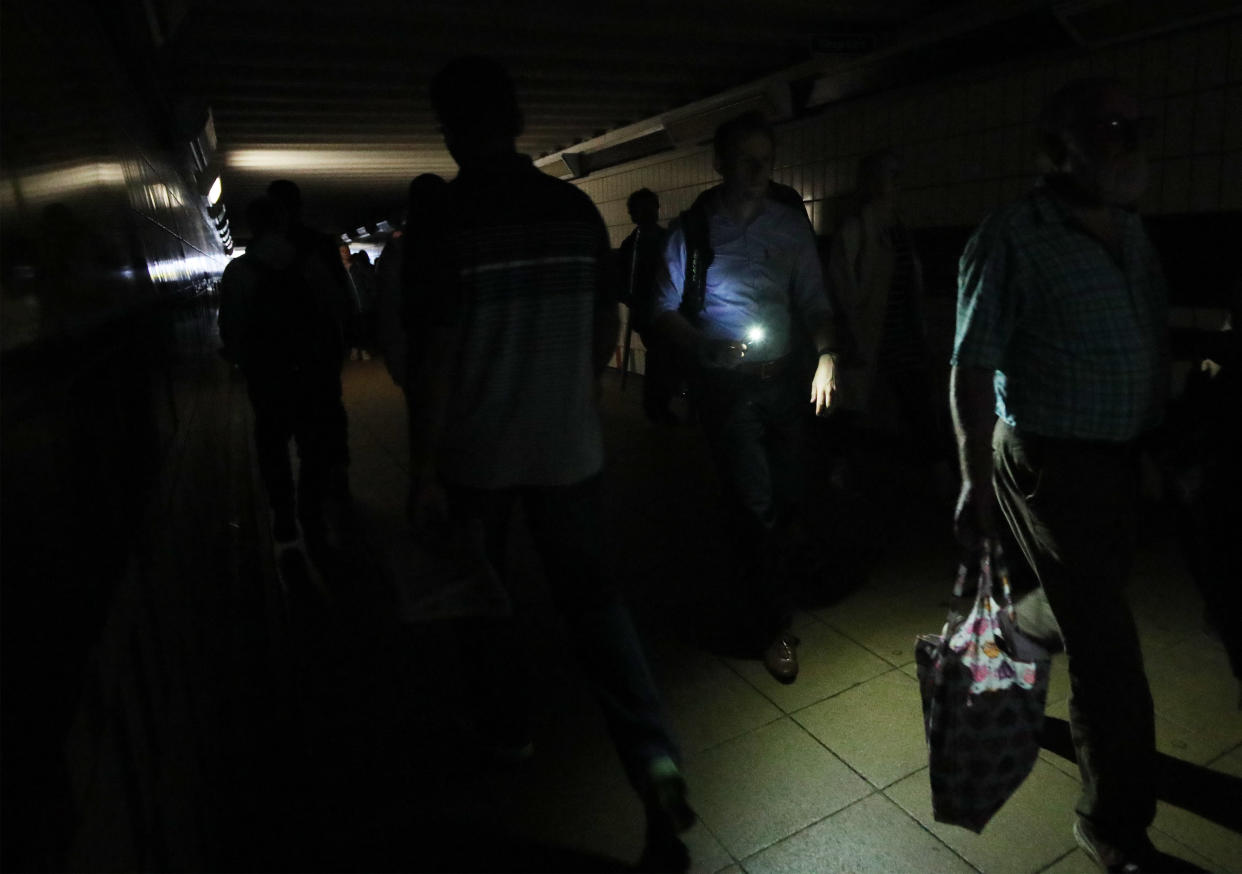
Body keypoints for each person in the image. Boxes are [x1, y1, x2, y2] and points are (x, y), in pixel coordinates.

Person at [404, 56, 695, 871]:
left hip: (479, 455)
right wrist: (577, 396)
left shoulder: (446, 220)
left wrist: (423, 468)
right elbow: (605, 323)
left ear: (453, 129)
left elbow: (433, 357)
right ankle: (654, 763)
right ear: (518, 119)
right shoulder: (573, 211)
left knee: (483, 597)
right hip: (568, 449)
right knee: (597, 608)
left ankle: (509, 733)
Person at [950, 78, 1194, 873]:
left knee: (1090, 601)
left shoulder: (1131, 230)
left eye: (1137, 126)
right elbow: (972, 362)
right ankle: (1113, 825)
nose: (1131, 143)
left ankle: (1023, 625)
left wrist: (1155, 440)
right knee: (1111, 656)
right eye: (1111, 129)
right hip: (1051, 463)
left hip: (1123, 454)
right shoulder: (1011, 236)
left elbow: (1150, 340)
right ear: (1058, 149)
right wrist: (973, 478)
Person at [651, 110, 840, 684]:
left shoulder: (790, 224)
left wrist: (827, 355)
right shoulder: (695, 228)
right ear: (719, 162)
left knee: (788, 495)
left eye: (766, 158)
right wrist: (703, 343)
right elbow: (660, 308)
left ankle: (769, 583)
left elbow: (814, 299)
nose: (758, 170)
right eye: (745, 158)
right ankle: (771, 625)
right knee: (753, 502)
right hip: (728, 390)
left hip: (785, 380)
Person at [218, 195, 351, 544]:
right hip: (311, 372)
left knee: (272, 446)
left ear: (252, 226)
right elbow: (336, 310)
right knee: (313, 444)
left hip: (267, 376)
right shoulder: (308, 264)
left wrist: (244, 361)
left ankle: (283, 514)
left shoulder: (239, 272)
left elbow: (232, 327)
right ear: (282, 223)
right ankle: (311, 511)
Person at [826, 150, 953, 498]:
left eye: (898, 174)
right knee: (854, 403)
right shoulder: (860, 226)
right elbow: (841, 281)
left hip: (897, 330)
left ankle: (937, 470)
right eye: (890, 174)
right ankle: (839, 465)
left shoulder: (895, 226)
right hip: (868, 330)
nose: (897, 182)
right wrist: (849, 326)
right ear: (870, 181)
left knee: (913, 400)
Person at [618, 188, 678, 423]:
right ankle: (657, 407)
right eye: (641, 209)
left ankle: (658, 405)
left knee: (664, 360)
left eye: (649, 208)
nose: (647, 213)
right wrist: (634, 301)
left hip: (670, 310)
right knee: (660, 359)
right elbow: (622, 281)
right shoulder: (632, 246)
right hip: (649, 313)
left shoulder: (665, 240)